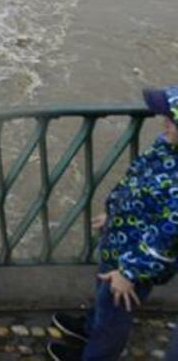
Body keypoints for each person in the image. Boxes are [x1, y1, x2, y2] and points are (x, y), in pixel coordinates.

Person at [48, 85, 178, 361]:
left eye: (172, 119)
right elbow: (136, 181)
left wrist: (129, 272)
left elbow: (167, 240)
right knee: (104, 298)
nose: (164, 122)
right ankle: (89, 328)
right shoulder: (166, 146)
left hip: (133, 263)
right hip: (121, 241)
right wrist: (114, 212)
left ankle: (96, 354)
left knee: (113, 318)